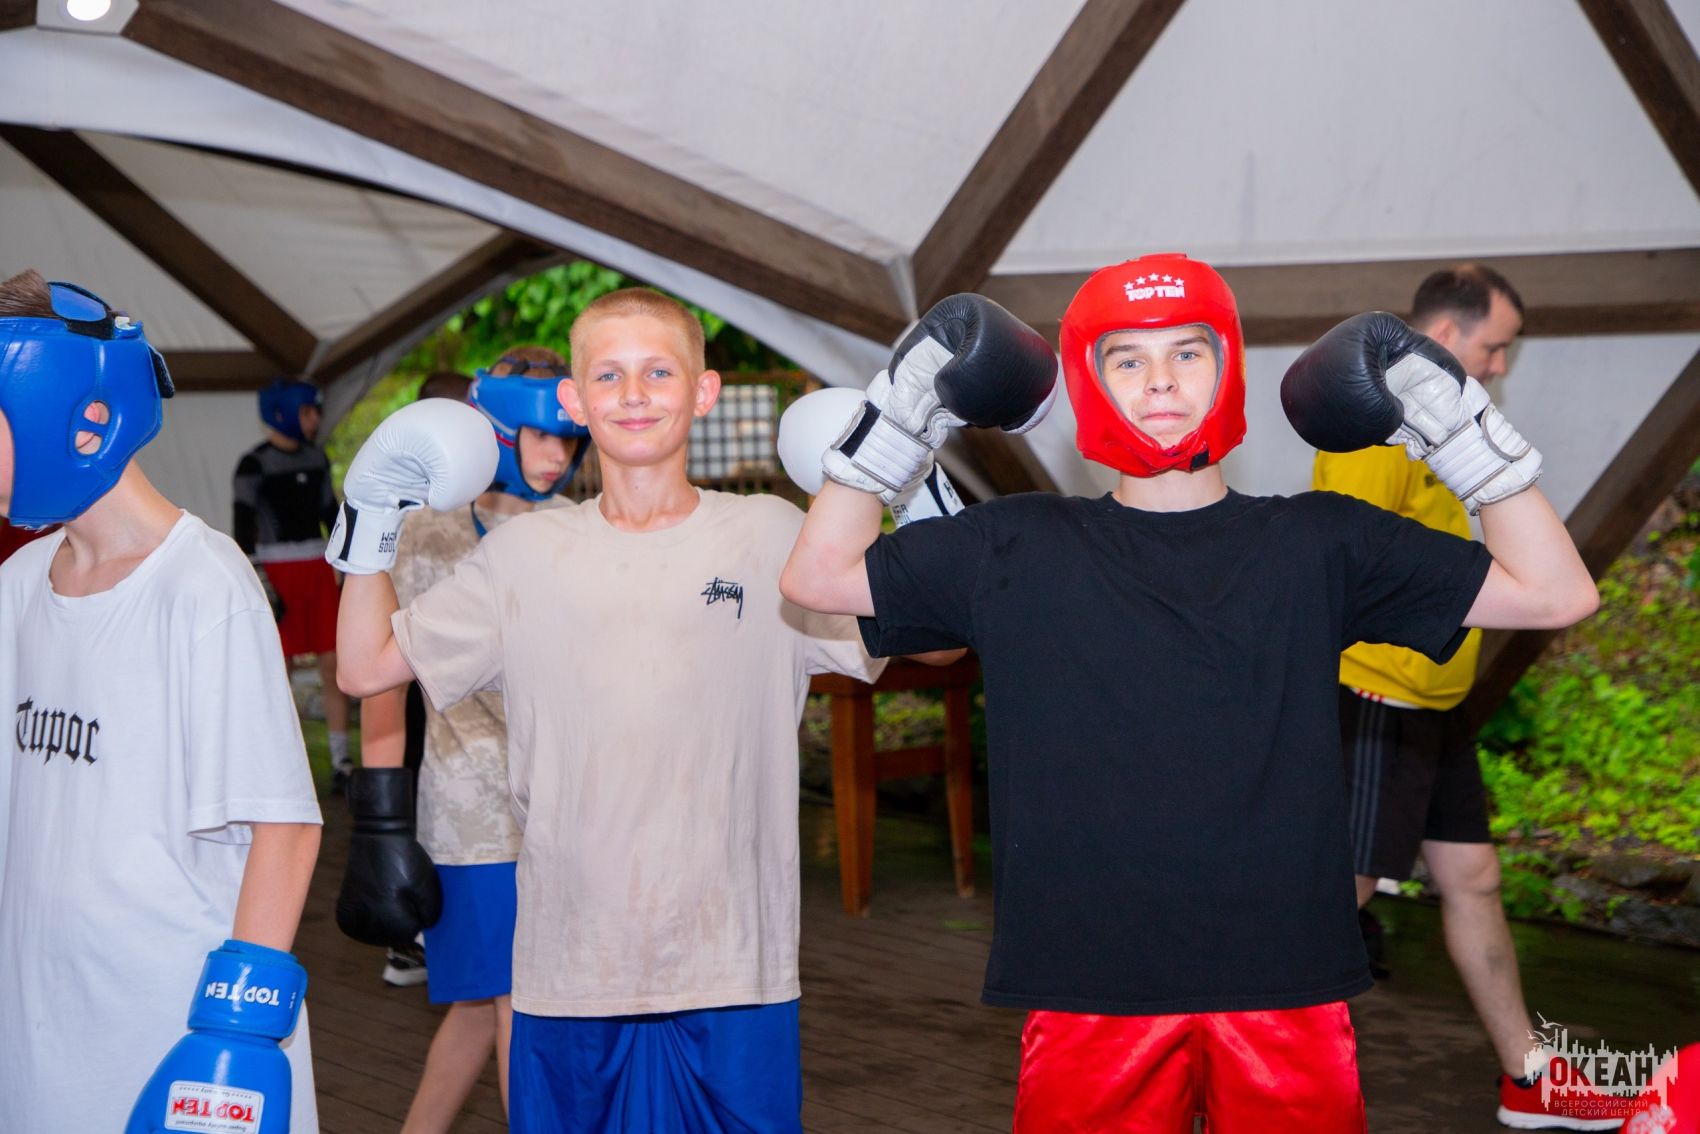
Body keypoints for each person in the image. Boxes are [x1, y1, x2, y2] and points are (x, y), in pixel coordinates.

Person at [780, 257, 1599, 1132]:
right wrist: (901, 416)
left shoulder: (1318, 540)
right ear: (1089, 379)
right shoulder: (1016, 542)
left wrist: (1459, 430)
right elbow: (818, 578)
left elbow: (1555, 594)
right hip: (1089, 987)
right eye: (1127, 358)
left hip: (1287, 983)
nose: (1161, 379)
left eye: (1187, 352)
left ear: (1228, 366)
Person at [330, 288, 894, 1132]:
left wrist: (913, 489)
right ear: (574, 400)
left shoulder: (775, 535)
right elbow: (364, 666)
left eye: (658, 372)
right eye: (608, 375)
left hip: (735, 968)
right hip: (571, 971)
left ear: (703, 391)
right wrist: (368, 516)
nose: (633, 394)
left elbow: (932, 642)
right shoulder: (522, 553)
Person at [0, 270, 323, 1131]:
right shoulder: (19, 584)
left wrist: (232, 1041)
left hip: (166, 1026)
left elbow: (285, 827)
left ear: (73, 414)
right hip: (41, 1021)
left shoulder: (203, 585)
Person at [1311, 265, 1587, 1127]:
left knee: (1474, 879)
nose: (1500, 366)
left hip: (1434, 702)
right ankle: (1231, 1065)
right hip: (1375, 697)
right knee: (1334, 903)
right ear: (1444, 336)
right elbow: (1346, 560)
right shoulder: (1370, 427)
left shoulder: (1435, 426)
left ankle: (1528, 1078)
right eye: (1495, 347)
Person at [356, 347, 588, 1131]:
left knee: (483, 1009)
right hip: (474, 813)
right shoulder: (423, 530)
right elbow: (387, 672)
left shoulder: (576, 528)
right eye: (541, 435)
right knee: (516, 1001)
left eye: (568, 438)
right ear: (497, 430)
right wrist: (378, 822)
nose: (556, 455)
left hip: (566, 808)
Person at [235, 375, 354, 789]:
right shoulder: (253, 464)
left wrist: (349, 571)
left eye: (315, 412)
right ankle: (283, 764)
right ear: (282, 413)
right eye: (307, 412)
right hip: (277, 572)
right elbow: (242, 530)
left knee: (334, 663)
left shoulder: (317, 457)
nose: (315, 419)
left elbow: (332, 516)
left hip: (318, 569)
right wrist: (262, 584)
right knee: (277, 669)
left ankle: (342, 761)